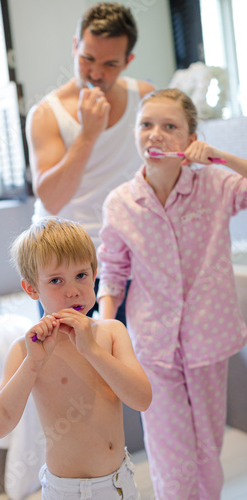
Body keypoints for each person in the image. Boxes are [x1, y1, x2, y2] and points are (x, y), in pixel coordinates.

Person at [97, 88, 247, 500]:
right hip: (154, 347)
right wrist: (107, 327)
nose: (156, 135)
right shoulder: (121, 203)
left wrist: (220, 158)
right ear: (135, 132)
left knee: (207, 453)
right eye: (146, 124)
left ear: (190, 137)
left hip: (208, 340)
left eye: (170, 127)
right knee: (168, 456)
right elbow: (111, 272)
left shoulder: (216, 184)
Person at [0, 217, 152, 500]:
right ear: (32, 289)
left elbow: (142, 400)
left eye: (81, 275)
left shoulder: (111, 333)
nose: (73, 290)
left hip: (117, 484)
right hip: (64, 490)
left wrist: (92, 351)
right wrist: (33, 364)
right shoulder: (26, 350)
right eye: (56, 280)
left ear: (94, 273)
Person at [26, 2, 155, 322]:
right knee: (71, 368)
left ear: (128, 61)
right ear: (75, 46)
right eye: (87, 59)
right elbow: (52, 198)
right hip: (66, 266)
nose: (96, 73)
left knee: (136, 363)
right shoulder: (46, 114)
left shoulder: (146, 98)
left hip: (130, 258)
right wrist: (87, 135)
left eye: (110, 64)